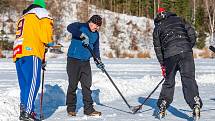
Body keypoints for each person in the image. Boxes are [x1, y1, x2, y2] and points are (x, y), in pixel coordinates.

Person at [153, 8, 203, 118]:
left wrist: (163, 65)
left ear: (158, 16)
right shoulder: (180, 20)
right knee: (188, 79)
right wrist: (187, 47)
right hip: (186, 52)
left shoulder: (157, 28)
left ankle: (163, 103)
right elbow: (192, 35)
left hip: (169, 55)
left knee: (169, 81)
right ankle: (195, 103)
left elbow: (158, 49)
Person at [13, 0, 54, 120]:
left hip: (18, 52)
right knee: (33, 83)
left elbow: (31, 33)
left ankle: (24, 109)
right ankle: (28, 112)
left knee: (25, 84)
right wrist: (49, 43)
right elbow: (46, 35)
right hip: (31, 51)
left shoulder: (24, 16)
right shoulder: (42, 13)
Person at [66, 15, 104, 116]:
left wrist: (98, 60)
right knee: (73, 85)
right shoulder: (80, 26)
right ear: (91, 22)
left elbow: (96, 49)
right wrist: (81, 35)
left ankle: (89, 109)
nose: (97, 28)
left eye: (99, 26)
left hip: (85, 62)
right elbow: (69, 27)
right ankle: (71, 109)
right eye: (96, 25)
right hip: (73, 60)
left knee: (87, 85)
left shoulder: (96, 34)